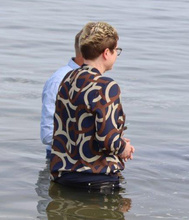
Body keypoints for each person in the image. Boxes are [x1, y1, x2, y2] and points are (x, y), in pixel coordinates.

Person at [50, 21, 135, 189]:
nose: (116, 55)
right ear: (106, 53)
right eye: (116, 51)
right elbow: (108, 141)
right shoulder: (105, 85)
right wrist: (123, 147)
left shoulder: (67, 79)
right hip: (95, 178)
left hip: (63, 175)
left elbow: (74, 127)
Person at [40, 30, 84, 159]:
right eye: (112, 50)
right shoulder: (59, 80)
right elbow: (48, 134)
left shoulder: (95, 82)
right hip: (63, 159)